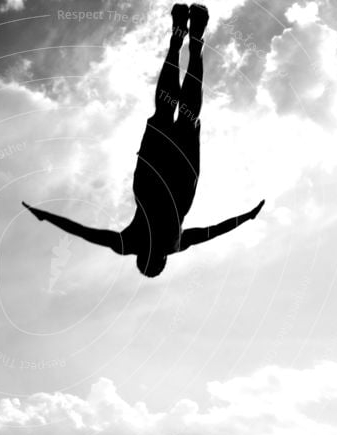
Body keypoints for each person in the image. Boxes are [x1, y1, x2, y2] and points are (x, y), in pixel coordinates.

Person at [23, 4, 265, 277]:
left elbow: (85, 233)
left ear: (154, 261)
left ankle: (188, 40)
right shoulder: (145, 245)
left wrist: (248, 217)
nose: (155, 253)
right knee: (172, 113)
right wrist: (45, 217)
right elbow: (84, 233)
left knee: (181, 114)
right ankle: (184, 41)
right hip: (164, 178)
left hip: (171, 178)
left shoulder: (160, 245)